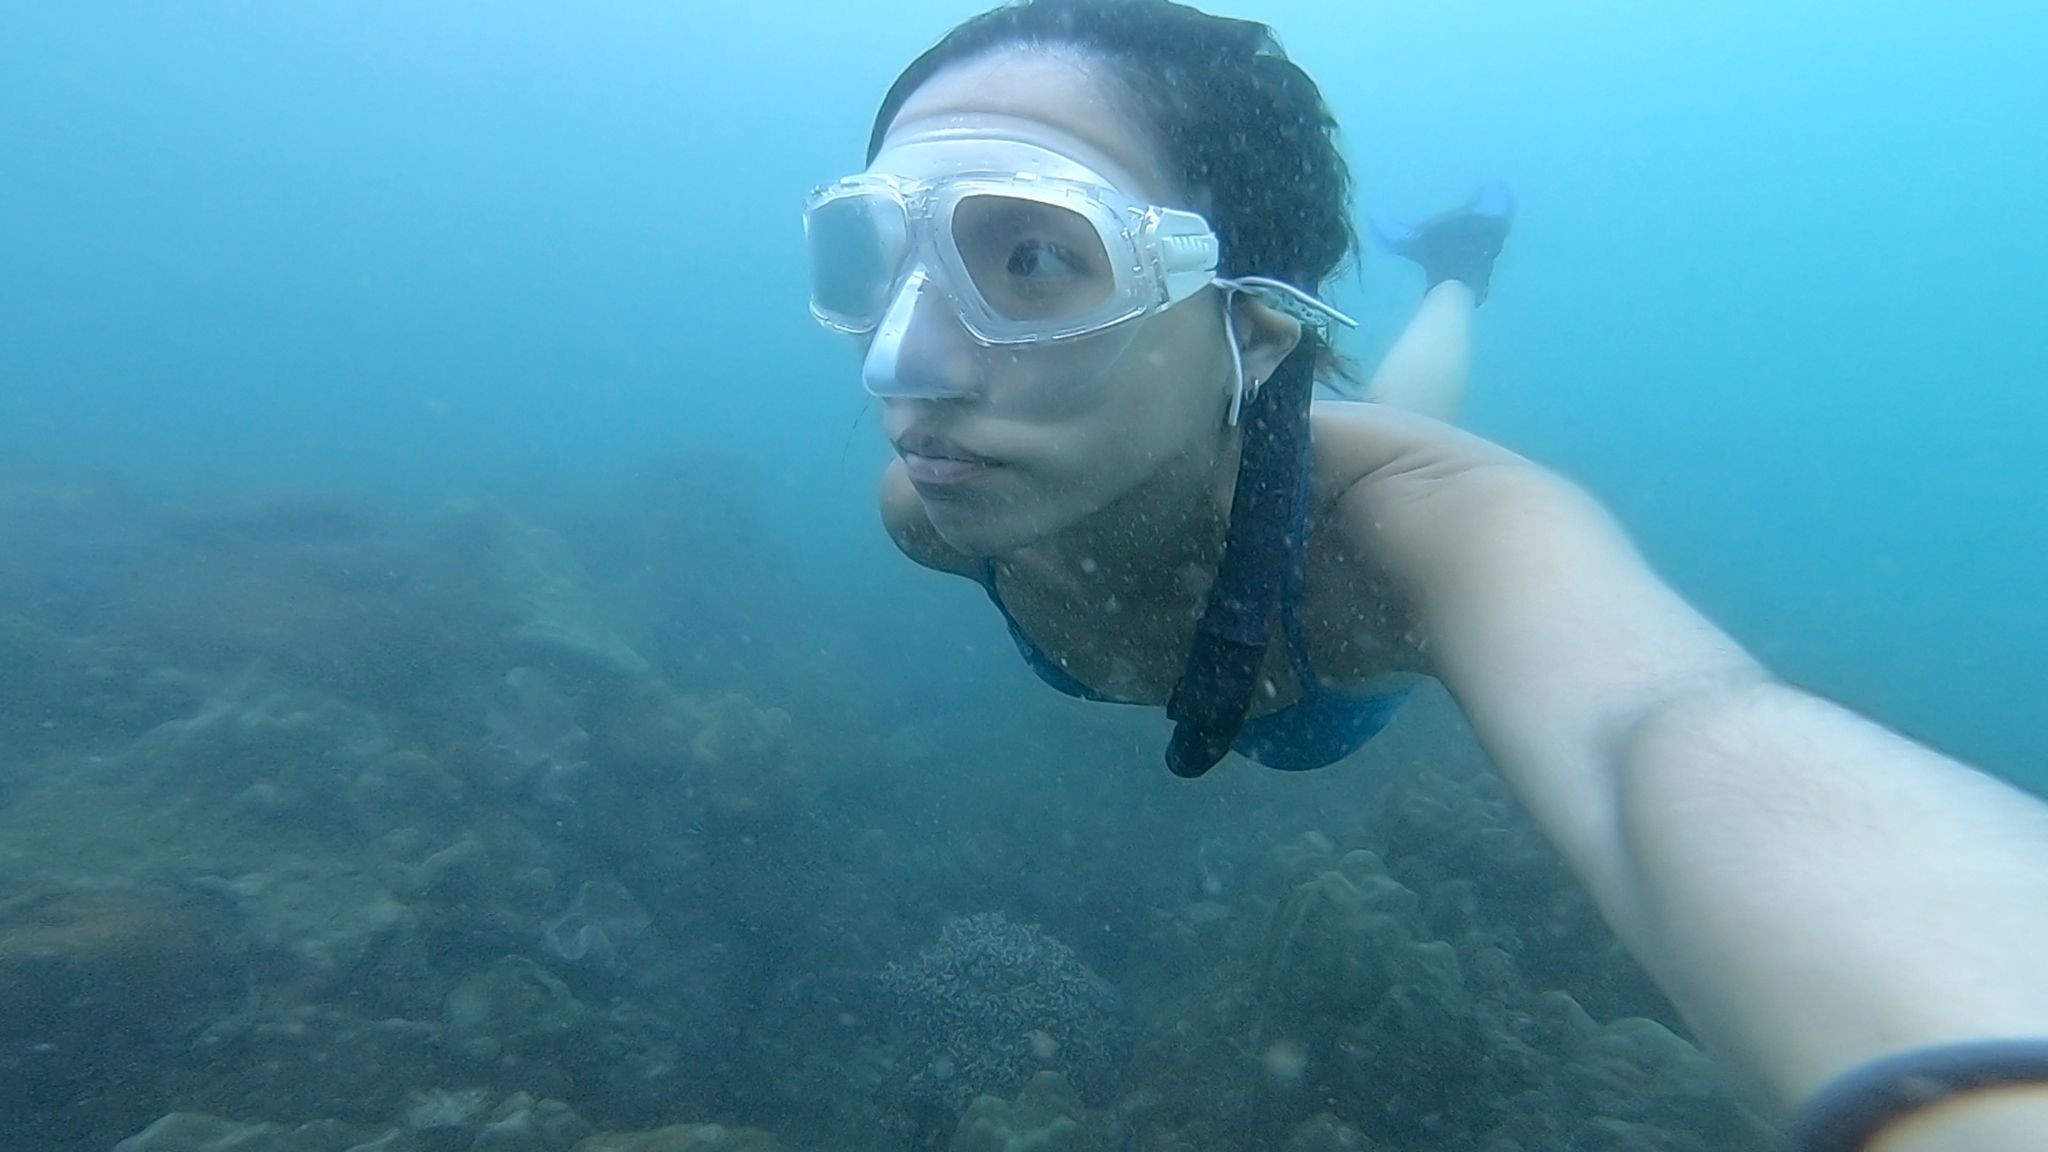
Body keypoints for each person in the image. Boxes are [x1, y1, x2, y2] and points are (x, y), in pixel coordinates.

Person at [798, 1, 2048, 1147]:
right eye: (876, 258)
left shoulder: (1422, 531)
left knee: (1399, 417)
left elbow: (1660, 725)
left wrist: (1968, 1082)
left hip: (1312, 576)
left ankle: (1460, 268)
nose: (903, 365)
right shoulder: (933, 508)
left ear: (1251, 321)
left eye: (1031, 259)